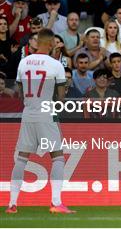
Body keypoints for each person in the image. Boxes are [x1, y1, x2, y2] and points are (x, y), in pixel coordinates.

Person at [6, 29, 75, 214]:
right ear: (50, 43)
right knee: (58, 157)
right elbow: (60, 99)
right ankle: (56, 202)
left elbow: (20, 93)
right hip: (47, 113)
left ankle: (12, 203)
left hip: (28, 113)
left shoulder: (24, 63)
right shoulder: (55, 65)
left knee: (21, 159)